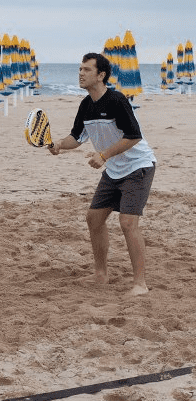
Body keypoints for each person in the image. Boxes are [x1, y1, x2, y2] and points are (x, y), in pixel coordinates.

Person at [48, 52, 156, 296]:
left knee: (128, 223)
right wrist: (59, 145)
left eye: (86, 70)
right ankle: (100, 274)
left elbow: (134, 136)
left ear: (101, 75)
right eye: (80, 69)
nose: (81, 73)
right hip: (114, 170)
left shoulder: (117, 100)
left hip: (138, 166)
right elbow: (76, 138)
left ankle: (140, 284)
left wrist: (104, 155)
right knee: (94, 219)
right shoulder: (86, 105)